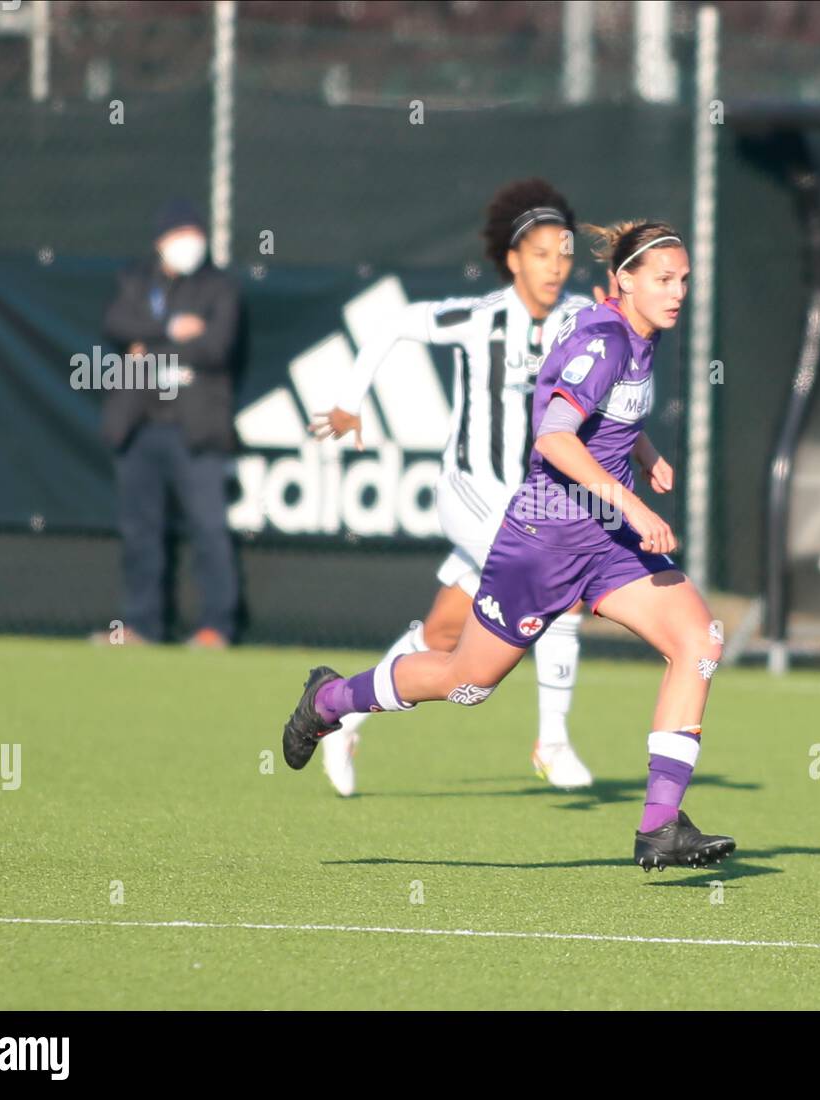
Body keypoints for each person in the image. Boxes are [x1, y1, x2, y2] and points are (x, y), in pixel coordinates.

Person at [283, 220, 735, 872]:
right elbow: (554, 438)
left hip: (603, 542)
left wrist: (647, 451)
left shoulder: (640, 334)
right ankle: (327, 701)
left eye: (685, 279)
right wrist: (635, 502)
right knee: (467, 681)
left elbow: (607, 415)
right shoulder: (604, 341)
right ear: (624, 280)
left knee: (698, 641)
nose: (678, 291)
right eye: (664, 279)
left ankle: (660, 826)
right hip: (544, 540)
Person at [307, 179, 595, 795]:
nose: (554, 266)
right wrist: (351, 402)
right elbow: (392, 325)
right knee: (561, 585)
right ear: (513, 258)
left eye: (564, 254)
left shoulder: (579, 320)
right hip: (470, 492)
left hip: (530, 502)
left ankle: (342, 713)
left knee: (443, 631)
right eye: (541, 253)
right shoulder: (479, 318)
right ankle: (552, 743)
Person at [98, 199, 241, 648]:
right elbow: (117, 323)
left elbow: (217, 347)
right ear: (161, 241)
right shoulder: (136, 280)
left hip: (195, 432)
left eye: (195, 235)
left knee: (208, 530)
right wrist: (172, 328)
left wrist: (151, 343)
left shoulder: (219, 287)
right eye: (180, 235)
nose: (189, 244)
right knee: (141, 532)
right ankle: (141, 626)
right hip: (139, 428)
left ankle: (216, 627)